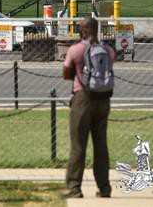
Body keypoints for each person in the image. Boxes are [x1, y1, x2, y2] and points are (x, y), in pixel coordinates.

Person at [62, 17, 114, 199]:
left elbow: (66, 74)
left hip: (82, 97)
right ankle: (104, 188)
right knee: (100, 144)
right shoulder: (108, 50)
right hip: (103, 98)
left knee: (78, 145)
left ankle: (74, 187)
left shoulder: (76, 50)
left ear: (82, 30)